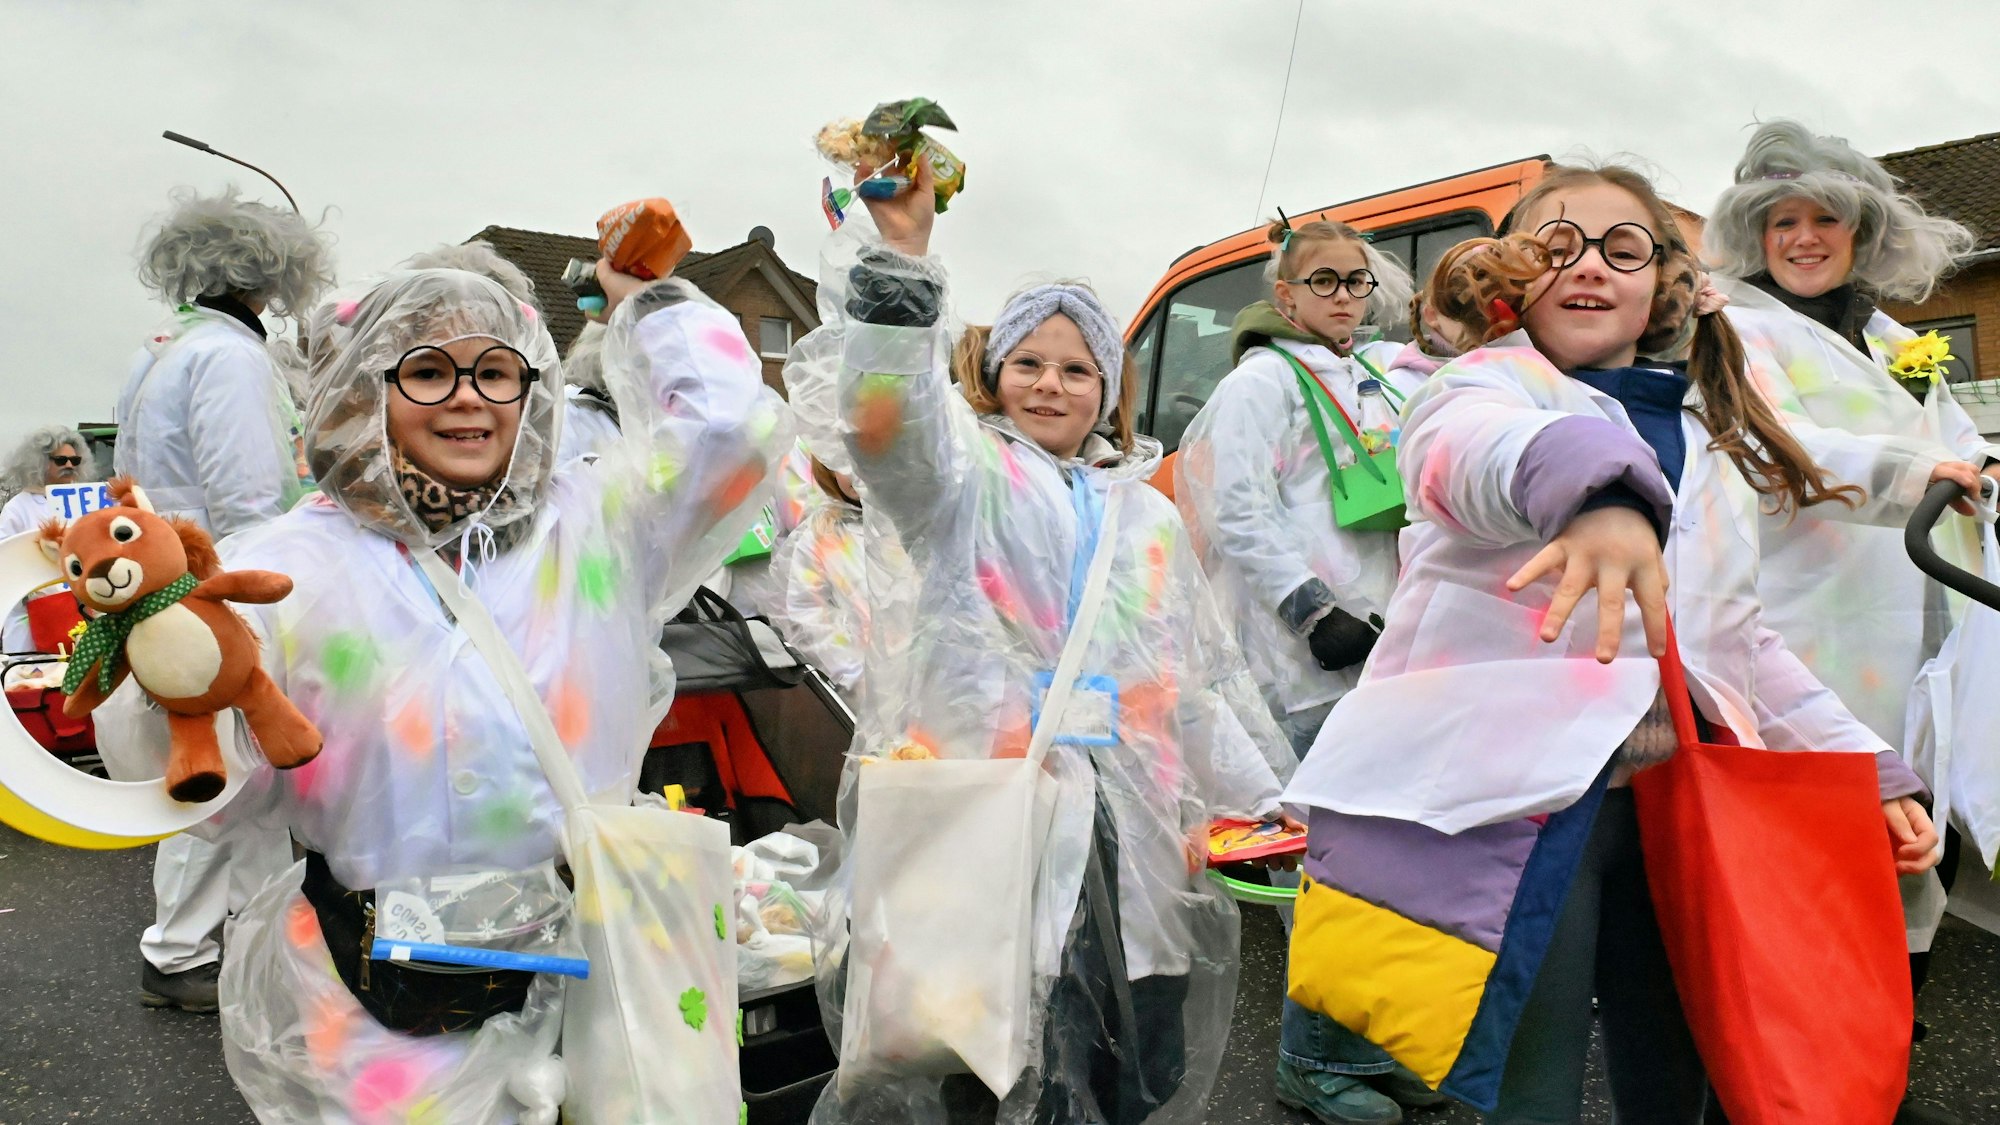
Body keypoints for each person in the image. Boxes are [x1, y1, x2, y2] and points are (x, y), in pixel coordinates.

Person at [1282, 163, 1939, 1124]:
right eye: (1557, 246)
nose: (1589, 265)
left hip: (1675, 804)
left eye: (1622, 249)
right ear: (1511, 274)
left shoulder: (1703, 432)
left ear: (1663, 284)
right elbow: (1466, 454)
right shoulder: (1478, 385)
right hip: (1520, 812)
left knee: (1674, 1066)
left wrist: (1865, 766)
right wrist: (1595, 491)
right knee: (1533, 1087)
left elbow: (1732, 638)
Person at [104, 262, 784, 1118]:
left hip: (604, 979)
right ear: (367, 386)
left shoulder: (598, 524)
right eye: (428, 370)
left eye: (495, 370)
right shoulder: (285, 566)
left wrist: (647, 298)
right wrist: (174, 670)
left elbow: (731, 431)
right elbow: (190, 787)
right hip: (390, 1018)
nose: (468, 396)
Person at [815, 162, 1293, 1125]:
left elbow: (1190, 681)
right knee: (990, 1066)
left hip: (1136, 832)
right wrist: (900, 266)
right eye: (1028, 362)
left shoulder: (1145, 518)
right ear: (993, 375)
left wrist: (1267, 802)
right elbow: (886, 427)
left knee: (1131, 1067)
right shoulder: (961, 482)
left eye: (1078, 369)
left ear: (1109, 390)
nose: (1050, 384)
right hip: (994, 825)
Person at [1708, 118, 1996, 1125]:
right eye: (1780, 220)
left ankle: (1880, 1071)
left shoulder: (1890, 338)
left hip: (1919, 629)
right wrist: (1915, 474)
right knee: (1823, 876)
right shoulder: (1731, 328)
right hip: (1813, 637)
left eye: (1824, 218)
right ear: (1752, 234)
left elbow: (1956, 437)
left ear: (1859, 229)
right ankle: (1811, 1089)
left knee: (1915, 854)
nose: (1803, 237)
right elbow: (1764, 442)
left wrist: (1976, 466)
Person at [1173, 219, 1435, 1123]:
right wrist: (1312, 610)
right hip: (1305, 666)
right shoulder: (1262, 383)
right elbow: (1235, 509)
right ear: (1284, 296)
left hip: (1386, 658)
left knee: (1390, 868)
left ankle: (1369, 1045)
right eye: (1323, 281)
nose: (1344, 297)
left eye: (1357, 281)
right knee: (1329, 869)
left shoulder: (1381, 377)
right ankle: (1313, 1058)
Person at [114, 187, 333, 1012]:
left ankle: (213, 948)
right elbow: (253, 500)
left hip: (166, 588)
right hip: (223, 589)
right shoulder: (232, 356)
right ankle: (227, 953)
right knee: (243, 776)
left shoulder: (159, 348)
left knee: (212, 773)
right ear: (268, 274)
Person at [0, 427, 101, 652]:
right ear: (39, 462)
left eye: (75, 460)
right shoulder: (17, 508)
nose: (70, 465)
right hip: (32, 617)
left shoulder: (87, 503)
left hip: (85, 607)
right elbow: (6, 559)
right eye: (61, 460)